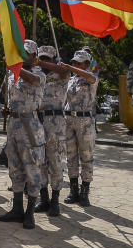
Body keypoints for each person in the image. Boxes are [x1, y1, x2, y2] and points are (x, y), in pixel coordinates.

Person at [0, 40, 45, 230]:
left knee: (32, 170)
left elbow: (33, 81)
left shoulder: (39, 73)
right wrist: (8, 110)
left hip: (30, 127)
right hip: (14, 125)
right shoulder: (11, 74)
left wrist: (14, 66)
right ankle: (17, 210)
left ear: (34, 57)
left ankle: (29, 213)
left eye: (26, 54)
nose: (22, 57)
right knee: (14, 169)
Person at [33, 46, 70, 216]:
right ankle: (44, 198)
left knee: (55, 162)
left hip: (55, 122)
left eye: (47, 59)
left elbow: (63, 70)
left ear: (54, 59)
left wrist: (39, 62)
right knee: (39, 161)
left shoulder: (61, 74)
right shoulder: (38, 75)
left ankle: (55, 200)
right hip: (38, 121)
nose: (43, 61)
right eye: (41, 58)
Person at [60, 50, 99, 206]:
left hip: (85, 120)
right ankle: (73, 190)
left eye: (78, 62)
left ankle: (85, 191)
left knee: (86, 156)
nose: (75, 65)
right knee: (71, 156)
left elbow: (90, 78)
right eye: (74, 62)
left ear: (87, 64)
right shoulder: (71, 80)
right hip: (69, 119)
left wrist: (70, 67)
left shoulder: (92, 78)